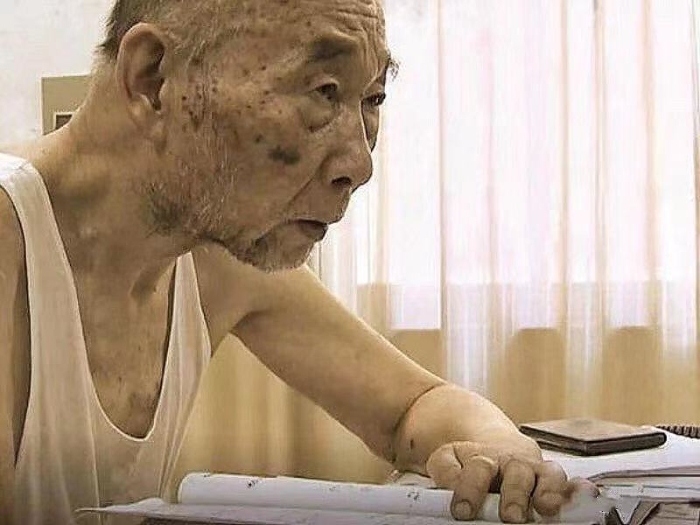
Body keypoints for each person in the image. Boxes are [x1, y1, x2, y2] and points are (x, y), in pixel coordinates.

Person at [0, 1, 594, 524]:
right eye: (323, 91)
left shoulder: (211, 251)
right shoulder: (11, 238)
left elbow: (411, 409)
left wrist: (499, 448)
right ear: (155, 78)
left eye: (372, 98)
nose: (360, 165)